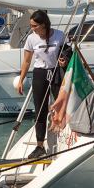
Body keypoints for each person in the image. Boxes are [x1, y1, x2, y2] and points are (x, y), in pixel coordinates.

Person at [16, 10, 65, 159]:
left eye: (35, 25)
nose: (32, 28)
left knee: (60, 104)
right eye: (31, 26)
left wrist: (64, 60)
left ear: (43, 24)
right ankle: (39, 146)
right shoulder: (31, 39)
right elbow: (26, 61)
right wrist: (21, 79)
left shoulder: (59, 35)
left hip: (56, 72)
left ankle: (63, 135)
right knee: (40, 110)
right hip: (40, 73)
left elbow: (67, 53)